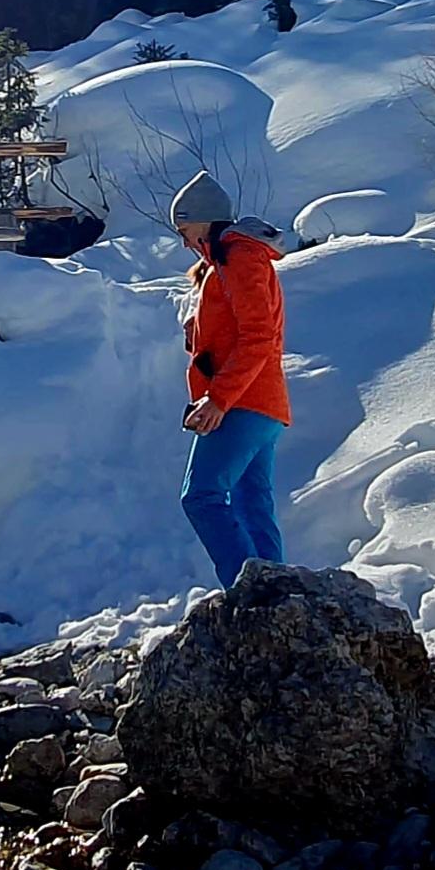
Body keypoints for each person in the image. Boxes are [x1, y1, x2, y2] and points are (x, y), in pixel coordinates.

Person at [170, 170, 291, 587]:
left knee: (201, 496)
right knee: (251, 504)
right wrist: (199, 332)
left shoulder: (238, 257)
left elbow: (258, 335)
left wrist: (218, 398)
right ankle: (278, 594)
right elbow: (246, 331)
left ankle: (248, 591)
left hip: (242, 402)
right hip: (263, 404)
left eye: (184, 230)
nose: (184, 242)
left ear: (202, 220)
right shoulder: (226, 262)